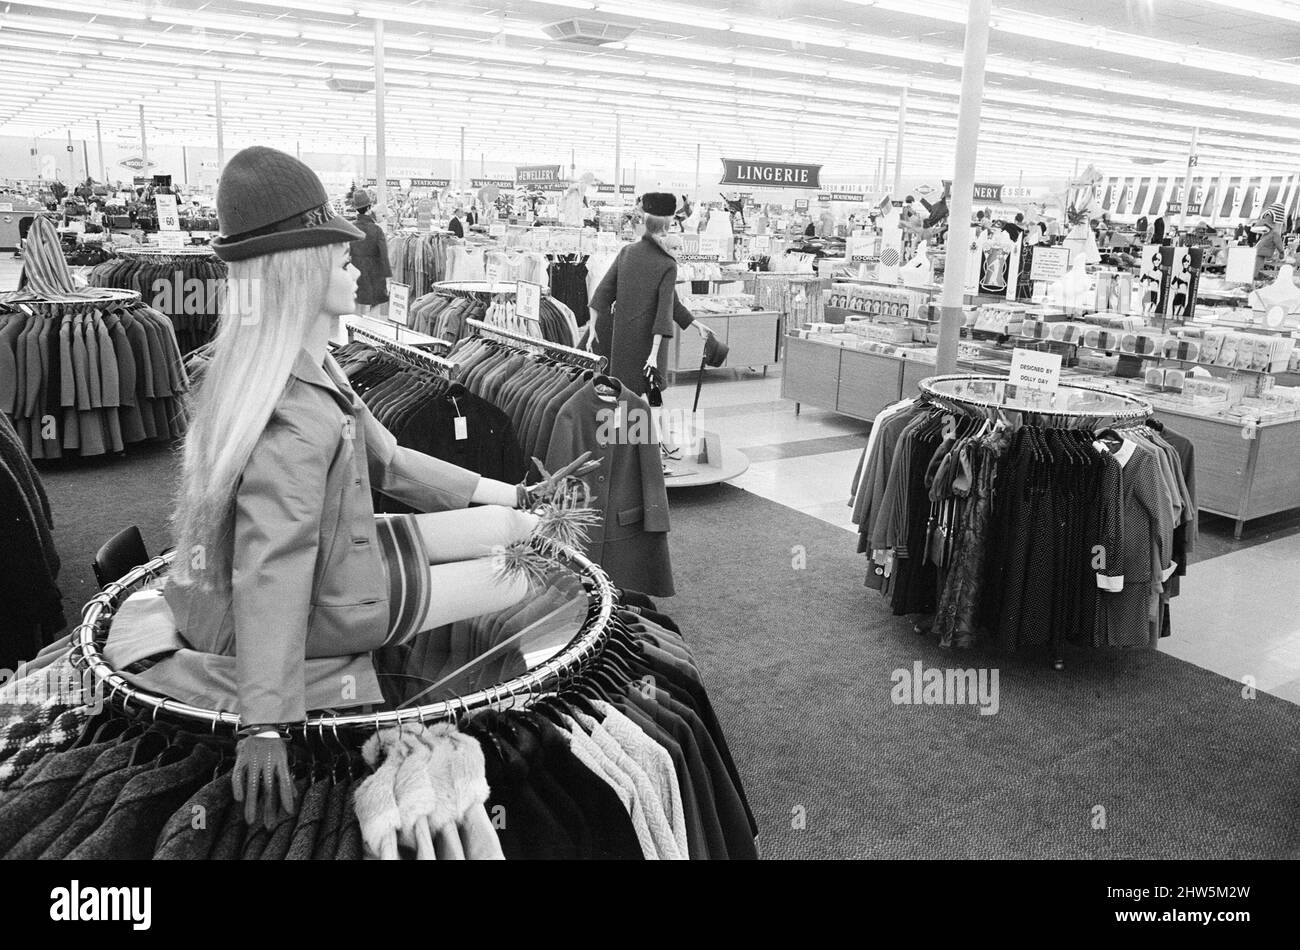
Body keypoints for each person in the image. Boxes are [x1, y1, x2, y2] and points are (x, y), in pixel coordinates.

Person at [162, 146, 564, 827]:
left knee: (514, 534)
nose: (358, 268)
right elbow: (274, 561)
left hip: (337, 560)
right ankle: (515, 718)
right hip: (328, 600)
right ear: (303, 273)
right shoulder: (288, 406)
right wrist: (265, 723)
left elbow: (392, 462)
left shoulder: (304, 366)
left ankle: (491, 589)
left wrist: (513, 496)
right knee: (521, 580)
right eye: (341, 258)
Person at [589, 192, 712, 396]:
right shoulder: (667, 264)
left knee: (623, 391)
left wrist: (592, 328)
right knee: (652, 393)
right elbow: (665, 310)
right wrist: (654, 353)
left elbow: (603, 292)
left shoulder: (627, 252)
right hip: (649, 340)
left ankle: (624, 426)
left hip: (623, 338)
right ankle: (651, 427)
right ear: (668, 224)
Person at [348, 188, 391, 316]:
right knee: (374, 311)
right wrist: (387, 276)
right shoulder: (376, 230)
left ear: (355, 208)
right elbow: (383, 255)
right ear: (370, 206)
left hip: (354, 273)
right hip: (374, 274)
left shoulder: (350, 228)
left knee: (355, 308)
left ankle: (353, 333)